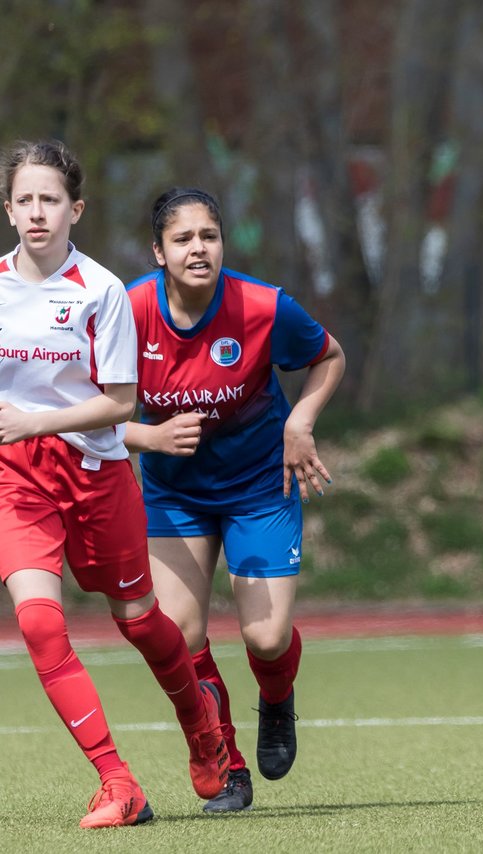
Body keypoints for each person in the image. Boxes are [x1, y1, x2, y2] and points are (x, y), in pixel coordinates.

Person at [0, 140, 229, 829]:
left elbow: (121, 403)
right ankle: (116, 781)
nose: (37, 212)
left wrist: (34, 421)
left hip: (97, 477)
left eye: (50, 199)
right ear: (8, 209)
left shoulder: (100, 291)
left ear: (76, 208)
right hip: (18, 479)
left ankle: (201, 725)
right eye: (24, 199)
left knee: (138, 622)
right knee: (39, 623)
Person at [124, 187, 345, 813]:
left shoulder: (262, 306)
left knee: (267, 637)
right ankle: (227, 761)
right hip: (174, 492)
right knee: (179, 634)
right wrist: (149, 436)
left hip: (258, 488)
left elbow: (328, 356)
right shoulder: (129, 311)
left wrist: (299, 421)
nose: (199, 249)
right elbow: (101, 406)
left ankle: (276, 700)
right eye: (183, 239)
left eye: (209, 236)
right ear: (158, 251)